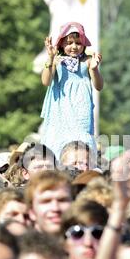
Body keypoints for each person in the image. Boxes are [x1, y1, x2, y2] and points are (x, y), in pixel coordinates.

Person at [40, 22, 103, 159]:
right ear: (61, 44)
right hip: (60, 112)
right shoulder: (56, 60)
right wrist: (50, 58)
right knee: (57, 146)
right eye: (69, 43)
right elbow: (46, 81)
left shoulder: (87, 61)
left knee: (80, 146)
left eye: (78, 43)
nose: (74, 47)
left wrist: (94, 69)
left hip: (81, 112)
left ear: (84, 44)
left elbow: (99, 86)